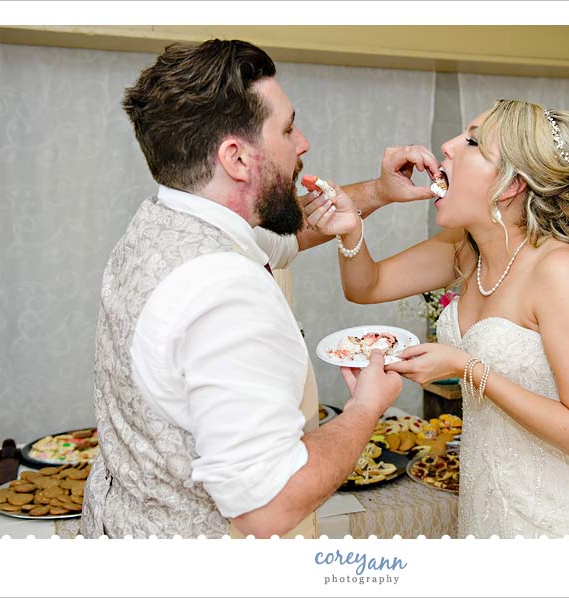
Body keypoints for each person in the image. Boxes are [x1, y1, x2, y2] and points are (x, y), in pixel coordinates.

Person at [80, 39, 438, 539]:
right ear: (237, 158)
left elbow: (287, 236)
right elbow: (266, 506)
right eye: (288, 128)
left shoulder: (162, 224)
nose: (303, 142)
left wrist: (378, 192)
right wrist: (366, 407)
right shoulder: (224, 290)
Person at [307, 99, 569, 538]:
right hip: (486, 506)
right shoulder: (466, 250)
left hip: (560, 524)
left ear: (511, 185)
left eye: (473, 142)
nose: (447, 145)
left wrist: (465, 367)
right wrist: (352, 229)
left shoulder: (560, 271)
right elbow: (366, 287)